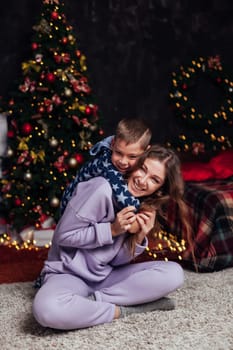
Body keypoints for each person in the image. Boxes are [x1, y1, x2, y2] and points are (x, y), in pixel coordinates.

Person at [32, 144, 192, 330]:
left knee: (174, 273)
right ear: (135, 164)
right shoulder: (101, 188)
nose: (142, 180)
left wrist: (140, 236)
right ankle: (123, 310)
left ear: (159, 189)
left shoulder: (139, 205)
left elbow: (116, 261)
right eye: (143, 169)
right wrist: (112, 229)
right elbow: (63, 236)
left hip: (105, 278)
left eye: (154, 179)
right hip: (69, 274)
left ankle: (91, 303)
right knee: (47, 310)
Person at [60, 118, 152, 215]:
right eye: (118, 153)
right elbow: (125, 201)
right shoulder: (106, 164)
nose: (123, 161)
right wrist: (144, 209)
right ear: (113, 144)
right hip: (70, 206)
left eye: (132, 156)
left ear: (146, 151)